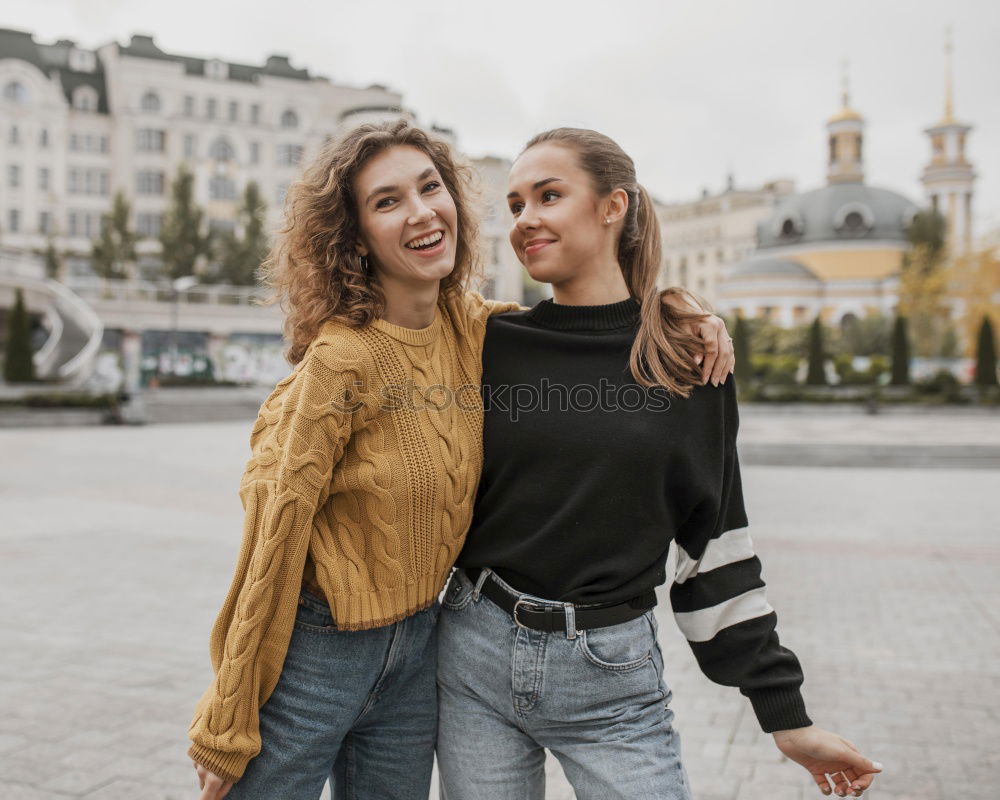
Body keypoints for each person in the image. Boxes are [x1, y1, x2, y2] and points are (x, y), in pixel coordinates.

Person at [187, 120, 734, 800]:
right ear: (355, 237)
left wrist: (680, 310)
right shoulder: (341, 361)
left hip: (420, 652)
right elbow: (270, 543)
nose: (420, 210)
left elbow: (590, 323)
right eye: (387, 201)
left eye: (429, 187)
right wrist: (227, 718)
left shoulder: (473, 328)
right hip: (317, 654)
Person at [436, 128, 883, 800]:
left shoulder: (688, 360)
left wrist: (784, 716)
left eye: (549, 195)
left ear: (613, 205)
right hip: (473, 651)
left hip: (610, 676)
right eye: (517, 204)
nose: (526, 220)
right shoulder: (489, 344)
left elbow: (716, 543)